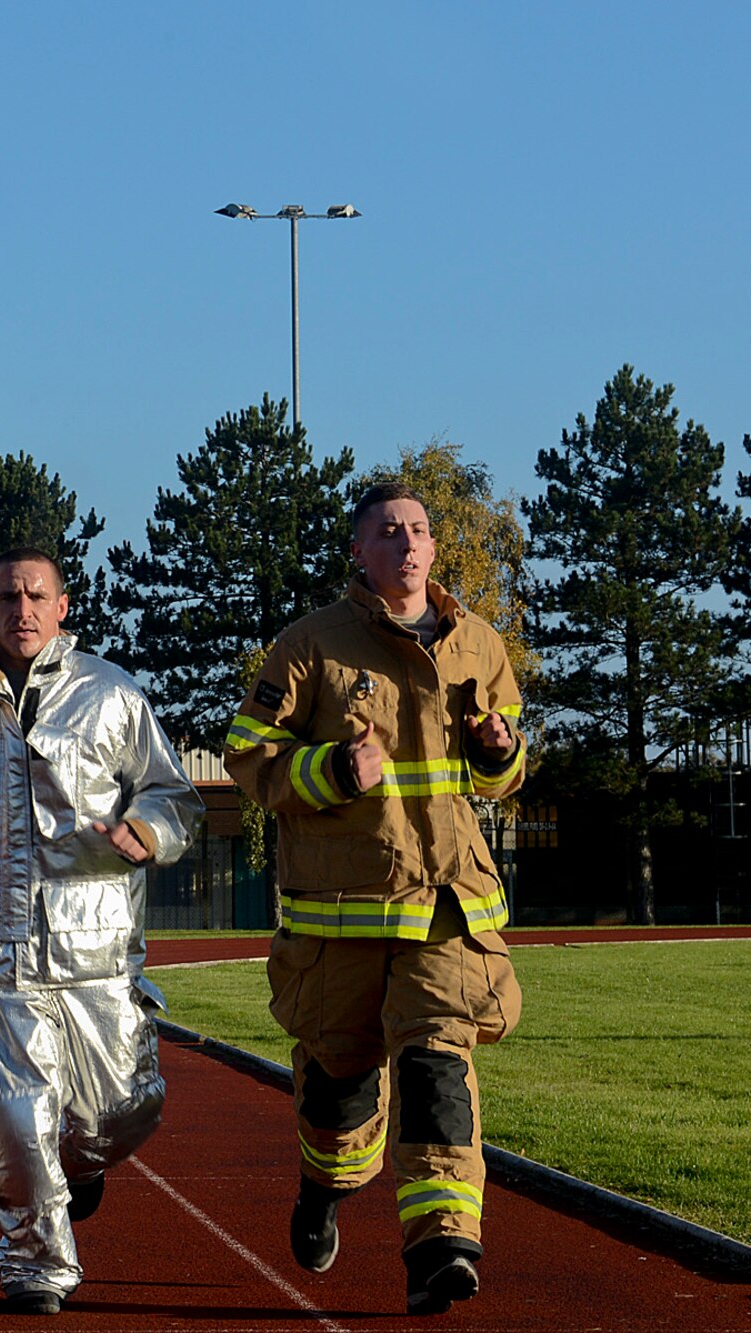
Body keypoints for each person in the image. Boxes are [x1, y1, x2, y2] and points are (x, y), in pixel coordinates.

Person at [0, 547, 201, 1316]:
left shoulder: (112, 696)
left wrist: (148, 830)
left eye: (36, 595)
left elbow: (176, 798)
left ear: (62, 608)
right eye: (7, 595)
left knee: (121, 1112)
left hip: (95, 950)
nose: (22, 608)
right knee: (18, 1111)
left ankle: (83, 1164)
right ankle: (34, 1262)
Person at [223, 481, 525, 1317]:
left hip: (447, 912)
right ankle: (323, 1188)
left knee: (438, 1067)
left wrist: (501, 750)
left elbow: (500, 779)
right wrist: (327, 770)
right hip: (341, 920)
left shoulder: (481, 646)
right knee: (340, 1095)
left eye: (419, 529)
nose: (408, 543)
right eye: (388, 532)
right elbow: (248, 756)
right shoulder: (309, 645)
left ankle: (442, 1249)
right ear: (359, 551)